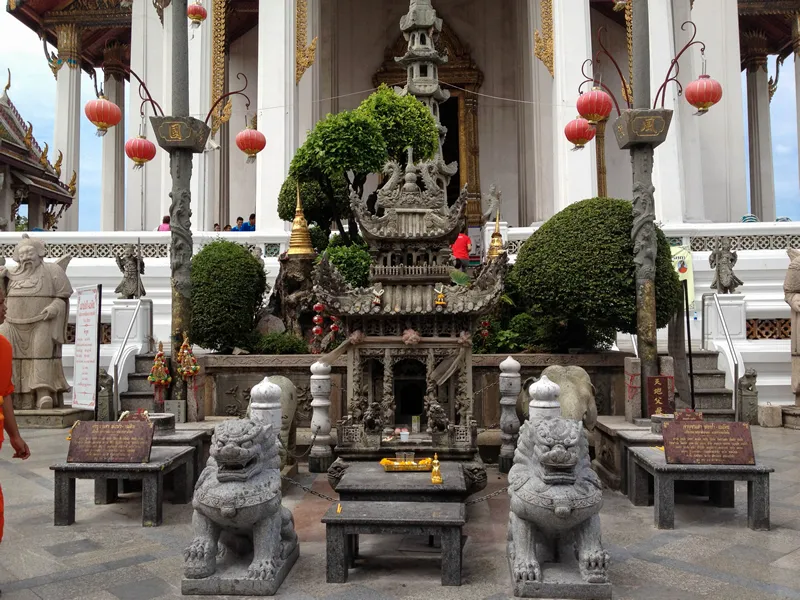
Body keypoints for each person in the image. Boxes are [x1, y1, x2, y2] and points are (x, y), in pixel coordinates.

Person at [0, 284, 32, 550]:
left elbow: (5, 394)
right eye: (1, 302)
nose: (5, 307)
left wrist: (15, 435)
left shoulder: (3, 347)